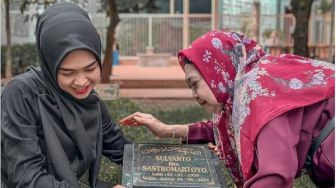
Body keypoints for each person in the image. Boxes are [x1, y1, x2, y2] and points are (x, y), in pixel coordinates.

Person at [120, 31, 335, 188]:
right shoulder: (247, 87)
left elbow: (275, 176)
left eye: (194, 83)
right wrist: (168, 130)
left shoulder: (258, 92)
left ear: (216, 71)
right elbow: (228, 126)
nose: (193, 94)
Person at [1, 3, 130, 188]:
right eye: (67, 73)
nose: (81, 82)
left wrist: (174, 150)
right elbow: (27, 178)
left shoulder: (89, 101)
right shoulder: (22, 94)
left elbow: (122, 151)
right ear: (49, 65)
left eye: (90, 68)